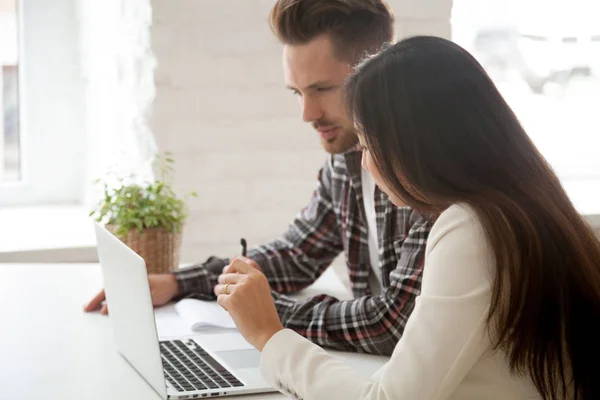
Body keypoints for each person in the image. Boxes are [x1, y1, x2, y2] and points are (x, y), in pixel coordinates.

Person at [214, 36, 600, 399]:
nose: (363, 163)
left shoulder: (470, 228)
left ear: (410, 143)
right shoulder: (517, 207)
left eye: (366, 144)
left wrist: (269, 335)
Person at [84, 0, 432, 356]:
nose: (307, 114)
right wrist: (176, 283)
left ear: (378, 72)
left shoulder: (430, 173)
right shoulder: (345, 163)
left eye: (323, 89)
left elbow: (394, 325)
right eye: (297, 93)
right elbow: (296, 254)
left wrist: (264, 312)